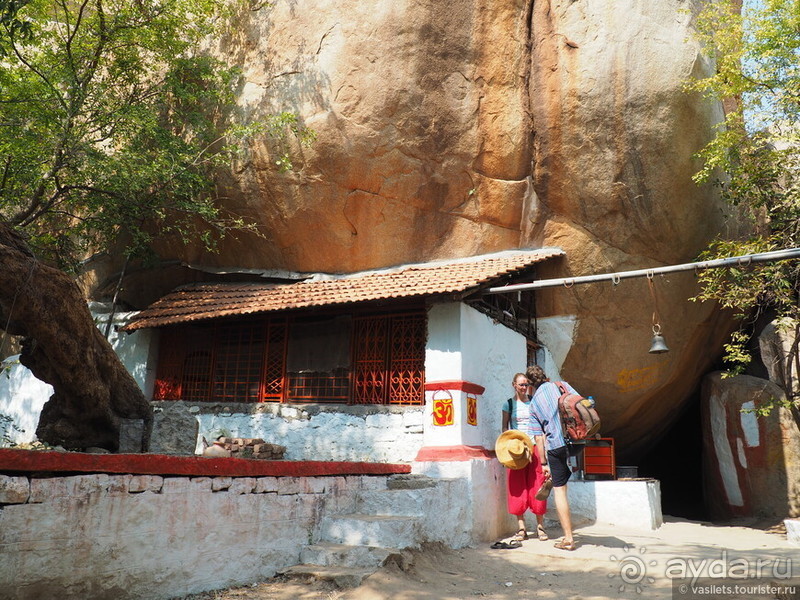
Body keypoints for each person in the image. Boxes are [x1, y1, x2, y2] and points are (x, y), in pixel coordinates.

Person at [525, 364, 577, 551]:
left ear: (530, 384)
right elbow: (582, 403)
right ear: (545, 377)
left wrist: (544, 464)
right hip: (575, 441)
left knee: (560, 491)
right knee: (565, 481)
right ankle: (569, 536)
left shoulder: (534, 405)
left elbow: (539, 438)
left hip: (555, 447)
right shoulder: (561, 385)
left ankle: (569, 539)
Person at [500, 372, 549, 543]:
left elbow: (541, 428)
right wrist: (507, 450)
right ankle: (522, 528)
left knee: (538, 484)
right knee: (517, 487)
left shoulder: (534, 402)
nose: (524, 387)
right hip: (517, 451)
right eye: (521, 384)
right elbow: (505, 430)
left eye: (526, 384)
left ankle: (540, 526)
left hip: (534, 448)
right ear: (514, 385)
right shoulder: (508, 405)